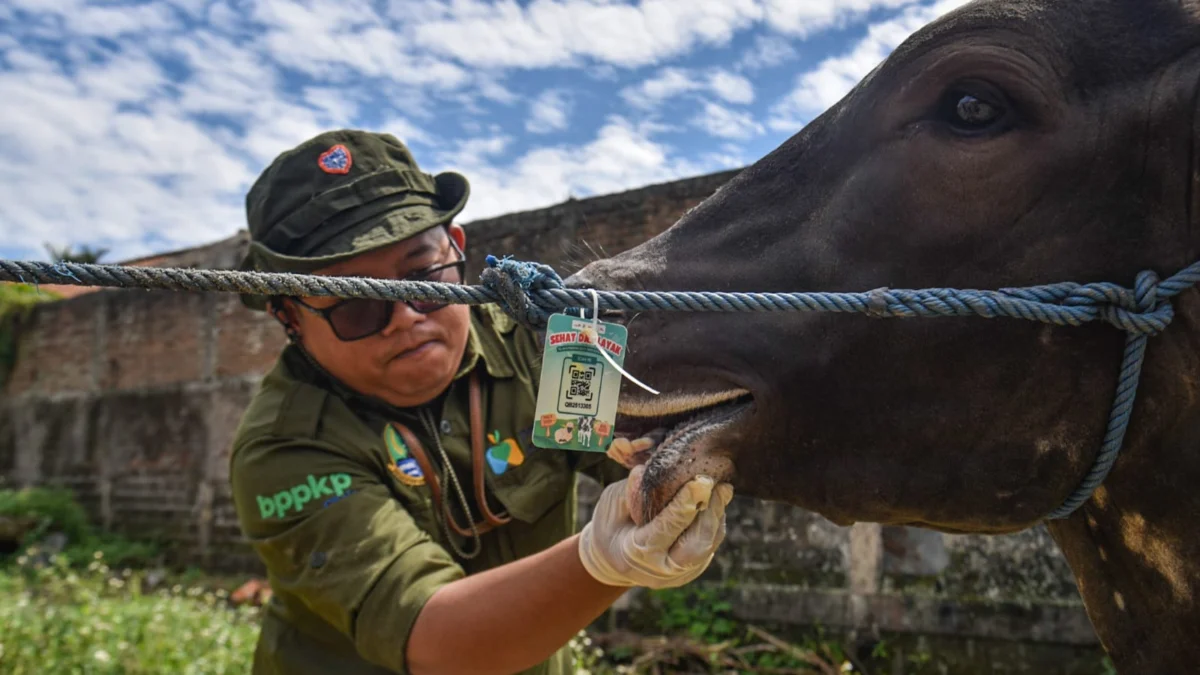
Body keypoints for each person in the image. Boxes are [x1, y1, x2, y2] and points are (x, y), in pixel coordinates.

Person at [228, 129, 734, 675]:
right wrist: (605, 560)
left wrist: (680, 463)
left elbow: (650, 440)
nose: (406, 317)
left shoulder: (544, 348)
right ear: (289, 317)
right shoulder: (283, 447)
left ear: (458, 249)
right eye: (356, 305)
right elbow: (434, 637)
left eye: (423, 277)